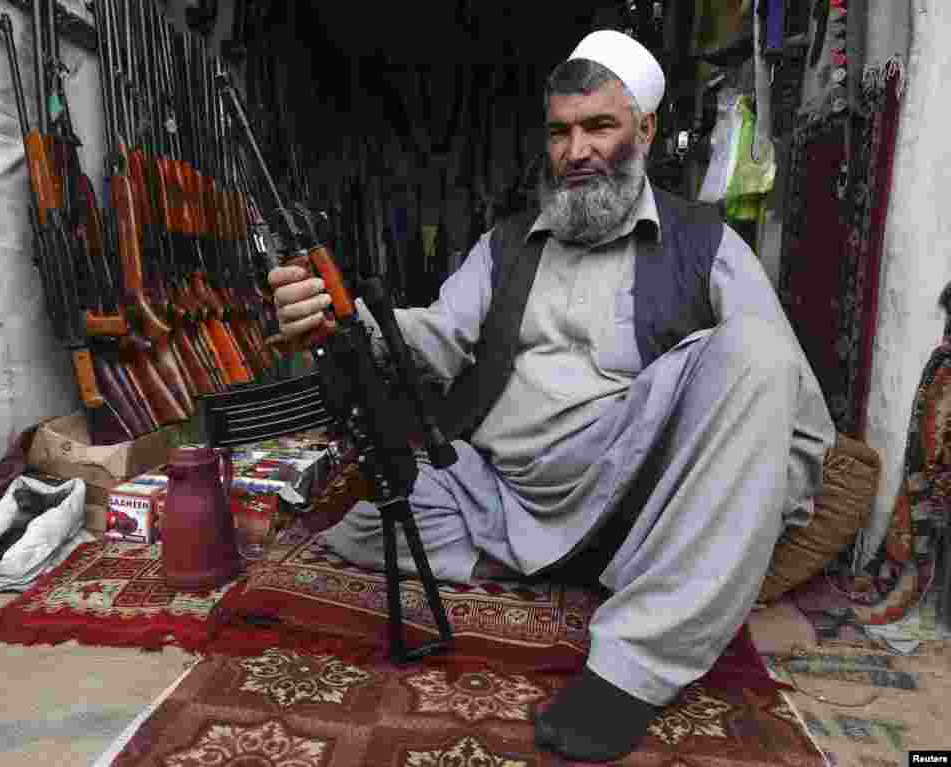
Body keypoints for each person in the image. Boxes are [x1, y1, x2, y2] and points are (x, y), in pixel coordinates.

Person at [268, 29, 836, 763]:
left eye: (600, 125)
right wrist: (342, 317)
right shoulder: (505, 244)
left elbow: (788, 404)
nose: (578, 152)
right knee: (367, 524)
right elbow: (434, 337)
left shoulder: (707, 241)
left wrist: (741, 506)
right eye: (562, 131)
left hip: (640, 494)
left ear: (646, 130)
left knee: (751, 350)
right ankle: (589, 562)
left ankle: (635, 660)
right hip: (504, 496)